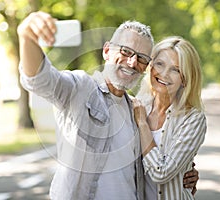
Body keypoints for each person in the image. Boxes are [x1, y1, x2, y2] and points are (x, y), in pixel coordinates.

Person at [17, 11, 198, 200]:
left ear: (146, 67)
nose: (132, 62)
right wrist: (27, 36)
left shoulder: (137, 110)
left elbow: (153, 163)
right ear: (106, 51)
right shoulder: (80, 88)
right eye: (126, 51)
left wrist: (184, 174)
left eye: (142, 58)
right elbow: (39, 80)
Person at [133, 36, 207, 200]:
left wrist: (142, 124)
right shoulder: (136, 105)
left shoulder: (193, 119)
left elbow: (161, 172)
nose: (164, 74)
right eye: (160, 64)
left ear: (185, 79)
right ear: (150, 67)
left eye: (175, 70)